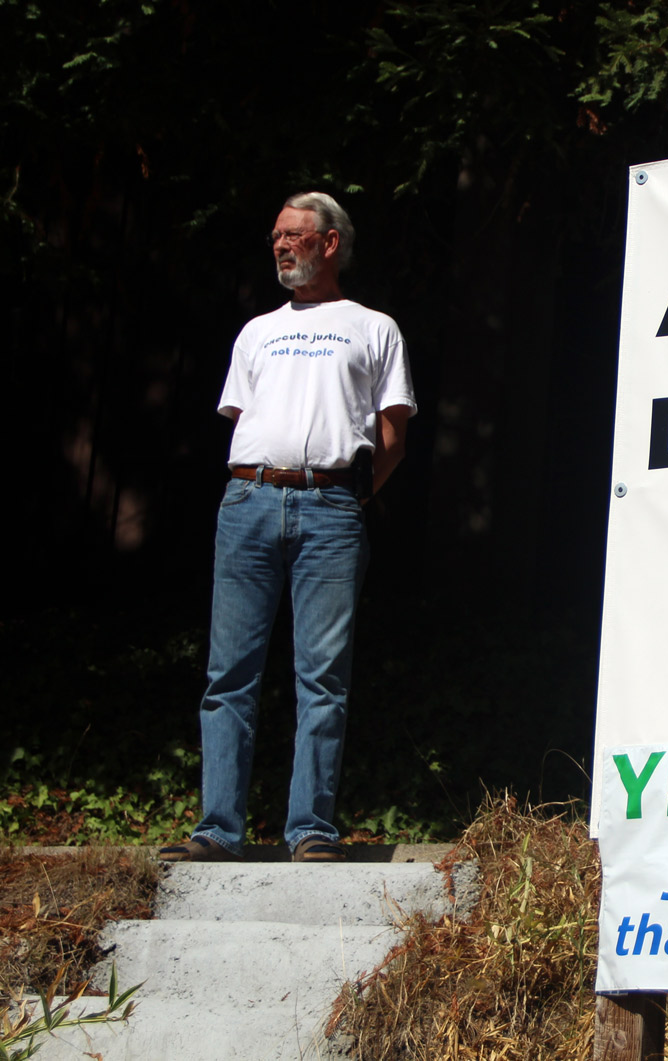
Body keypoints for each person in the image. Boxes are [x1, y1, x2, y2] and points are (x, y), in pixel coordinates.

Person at [159, 192, 416, 863]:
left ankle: (311, 829)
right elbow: (246, 416)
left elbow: (393, 434)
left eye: (294, 235)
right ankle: (217, 829)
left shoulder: (374, 327)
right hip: (249, 499)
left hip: (332, 508)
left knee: (323, 677)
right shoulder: (257, 331)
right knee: (228, 674)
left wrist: (353, 498)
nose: (280, 245)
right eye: (275, 235)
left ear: (330, 242)